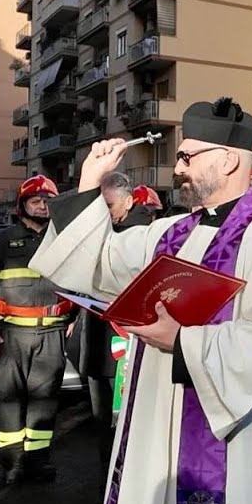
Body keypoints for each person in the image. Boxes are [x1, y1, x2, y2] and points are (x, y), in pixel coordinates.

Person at [29, 97, 252, 504]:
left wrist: (182, 342)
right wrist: (90, 182)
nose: (177, 168)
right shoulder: (168, 232)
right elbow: (96, 260)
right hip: (158, 417)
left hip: (236, 440)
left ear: (230, 161)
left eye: (186, 157)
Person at [0, 175, 75, 485]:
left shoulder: (63, 241)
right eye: (35, 201)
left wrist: (73, 319)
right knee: (11, 400)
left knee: (45, 401)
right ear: (22, 206)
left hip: (50, 336)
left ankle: (37, 462)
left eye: (47, 201)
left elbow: (79, 283)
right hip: (11, 336)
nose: (42, 206)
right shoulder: (2, 242)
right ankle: (13, 464)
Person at [80, 172, 155, 473]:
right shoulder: (106, 230)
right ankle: (105, 489)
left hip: (123, 347)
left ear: (127, 201)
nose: (105, 213)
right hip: (100, 346)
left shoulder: (141, 235)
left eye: (109, 206)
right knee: (104, 429)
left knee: (123, 429)